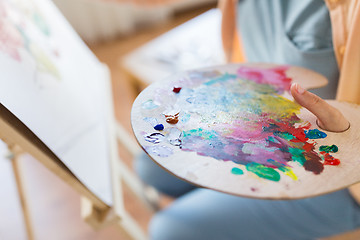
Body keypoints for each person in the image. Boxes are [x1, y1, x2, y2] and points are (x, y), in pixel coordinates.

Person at [134, 0, 360, 239]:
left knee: (170, 231)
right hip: (264, 117)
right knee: (149, 166)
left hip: (342, 169)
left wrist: (352, 135)